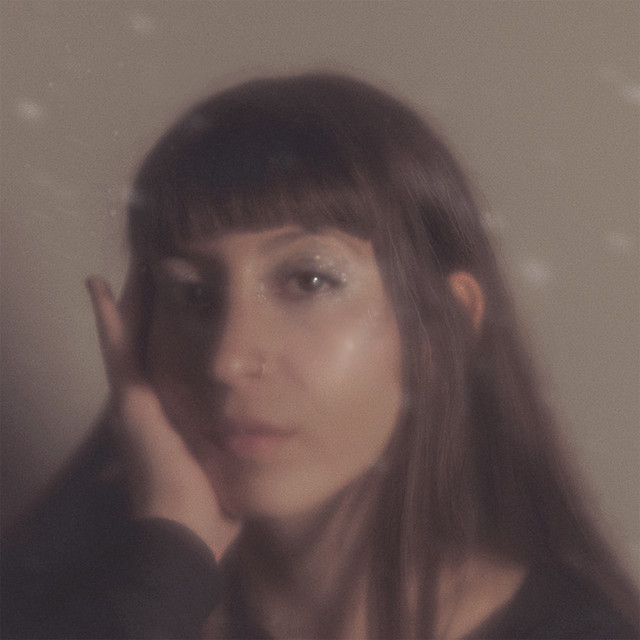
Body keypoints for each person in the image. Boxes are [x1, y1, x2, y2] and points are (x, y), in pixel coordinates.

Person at [1, 73, 638, 639]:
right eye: (190, 293)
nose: (226, 360)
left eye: (309, 281)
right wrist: (167, 572)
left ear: (442, 329)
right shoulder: (62, 605)